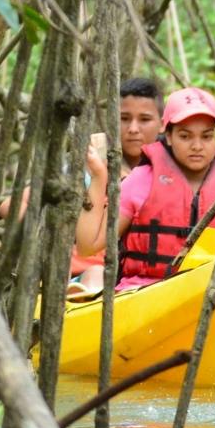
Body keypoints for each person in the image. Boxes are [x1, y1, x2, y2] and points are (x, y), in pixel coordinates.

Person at [81, 86, 215, 291]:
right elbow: (88, 245)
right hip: (144, 291)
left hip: (213, 293)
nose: (196, 146)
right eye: (185, 136)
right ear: (168, 136)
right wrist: (98, 176)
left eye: (207, 136)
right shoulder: (140, 181)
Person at [73, 77, 166, 288]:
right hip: (87, 278)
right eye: (124, 118)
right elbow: (9, 207)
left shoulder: (170, 175)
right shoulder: (89, 166)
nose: (133, 128)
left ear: (162, 124)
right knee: (97, 273)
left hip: (140, 281)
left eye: (144, 119)